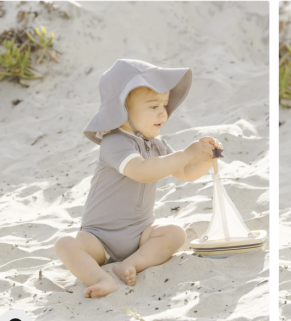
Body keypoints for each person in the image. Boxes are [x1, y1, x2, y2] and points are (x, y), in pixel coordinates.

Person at [54, 59, 223, 298]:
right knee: (65, 244)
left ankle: (131, 263)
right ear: (123, 109)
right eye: (153, 106)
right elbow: (142, 171)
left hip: (140, 233)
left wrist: (205, 157)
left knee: (175, 233)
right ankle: (102, 278)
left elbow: (185, 172)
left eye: (165, 105)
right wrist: (185, 155)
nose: (163, 113)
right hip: (100, 237)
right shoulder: (114, 143)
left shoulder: (156, 145)